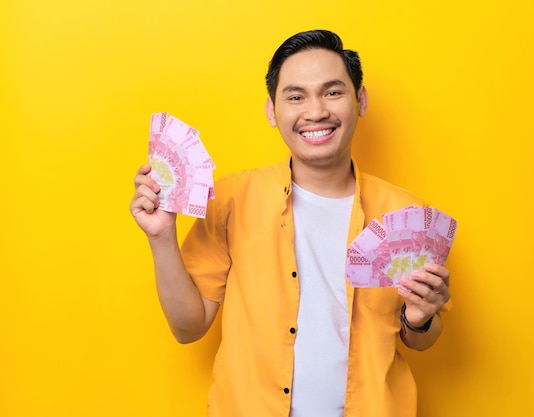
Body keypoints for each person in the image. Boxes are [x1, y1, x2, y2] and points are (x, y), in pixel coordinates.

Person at [130, 29, 451, 417]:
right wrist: (162, 237)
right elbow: (188, 327)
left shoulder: (408, 214)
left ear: (360, 99)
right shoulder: (232, 201)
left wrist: (420, 321)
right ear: (271, 110)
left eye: (333, 92)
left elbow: (421, 339)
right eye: (296, 96)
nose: (315, 111)